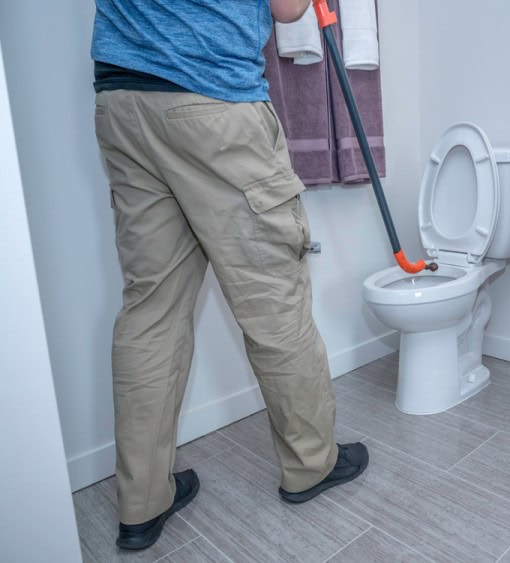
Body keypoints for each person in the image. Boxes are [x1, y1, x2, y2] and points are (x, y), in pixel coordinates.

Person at [91, 0, 368, 550]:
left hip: (121, 102)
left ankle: (142, 502)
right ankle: (312, 464)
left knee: (151, 310)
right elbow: (289, 9)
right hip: (211, 98)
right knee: (273, 302)